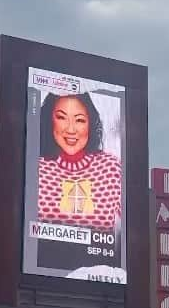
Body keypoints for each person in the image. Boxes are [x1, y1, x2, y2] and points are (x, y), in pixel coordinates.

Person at [37, 92, 122, 231]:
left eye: (80, 120)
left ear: (91, 124)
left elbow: (133, 230)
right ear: (49, 121)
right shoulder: (36, 169)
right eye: (61, 118)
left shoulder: (111, 168)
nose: (71, 129)